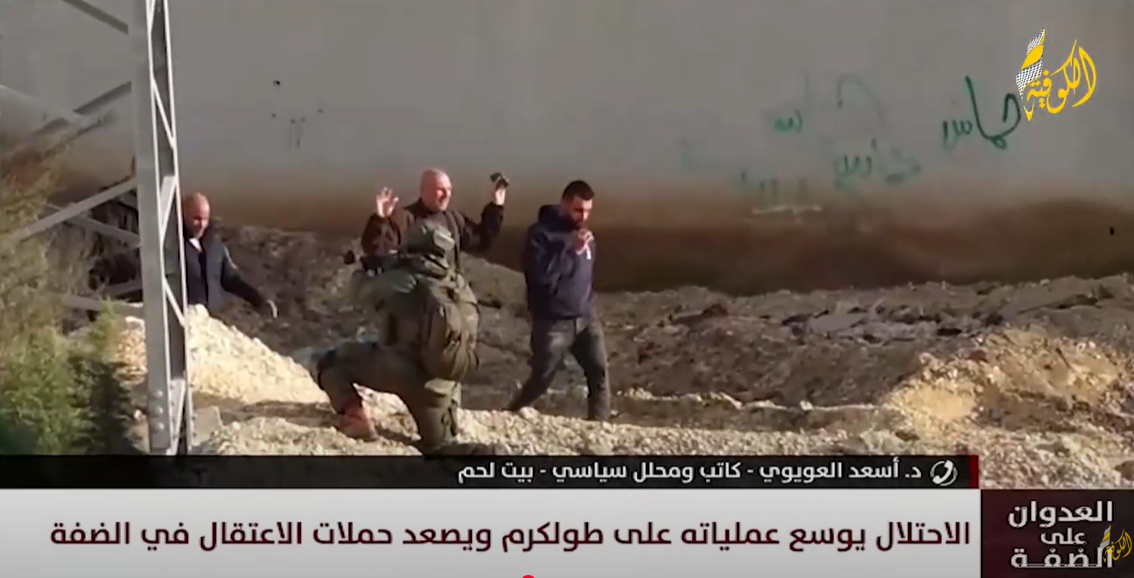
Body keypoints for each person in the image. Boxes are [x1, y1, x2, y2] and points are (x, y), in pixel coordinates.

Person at [313, 220, 494, 455]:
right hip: (439, 388)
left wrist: (360, 270)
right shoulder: (458, 285)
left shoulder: (404, 278)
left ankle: (355, 417)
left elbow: (359, 295)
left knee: (329, 361)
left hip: (398, 370)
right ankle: (484, 455)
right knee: (439, 446)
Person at [505, 180, 610, 421]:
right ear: (564, 203)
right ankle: (508, 416)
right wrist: (570, 251)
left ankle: (599, 426)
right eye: (578, 210)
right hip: (553, 322)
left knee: (599, 372)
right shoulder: (540, 234)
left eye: (587, 211)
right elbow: (539, 276)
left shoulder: (584, 235)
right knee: (543, 377)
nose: (583, 216)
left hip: (585, 317)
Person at [359, 169, 507, 272]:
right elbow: (376, 250)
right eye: (440, 189)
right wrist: (380, 220)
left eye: (449, 189)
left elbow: (481, 242)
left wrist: (496, 207)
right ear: (423, 191)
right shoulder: (406, 218)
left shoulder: (454, 219)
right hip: (413, 299)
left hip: (445, 296)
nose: (446, 194)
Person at [182, 192, 276, 317]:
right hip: (185, 316)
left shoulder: (214, 245)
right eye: (196, 219)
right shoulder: (174, 247)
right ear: (183, 215)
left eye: (205, 219)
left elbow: (231, 278)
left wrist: (258, 300)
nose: (201, 225)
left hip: (212, 319)